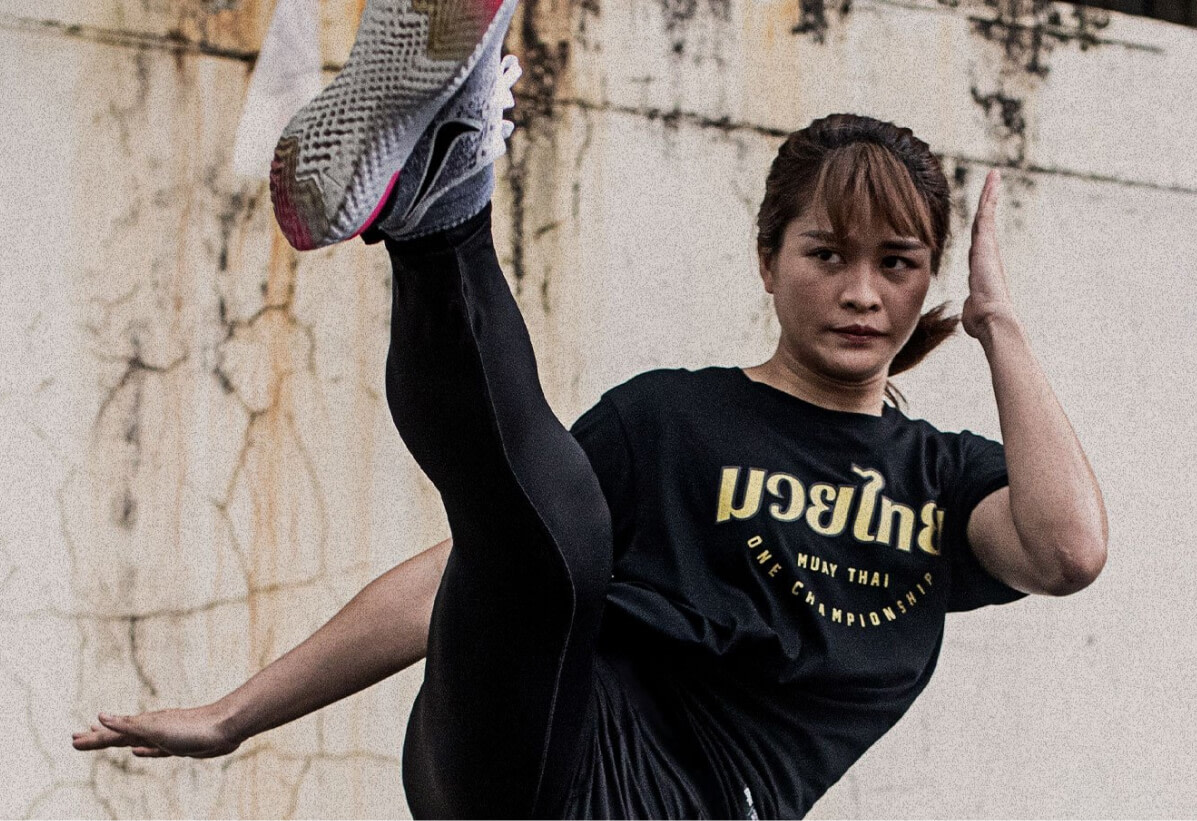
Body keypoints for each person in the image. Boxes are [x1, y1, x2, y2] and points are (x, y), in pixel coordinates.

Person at [72, 0, 1109, 817]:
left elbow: (1067, 550)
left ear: (927, 277)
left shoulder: (942, 482)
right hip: (536, 737)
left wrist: (995, 322)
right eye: (825, 253)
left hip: (695, 802)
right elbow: (463, 568)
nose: (859, 292)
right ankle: (447, 210)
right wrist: (237, 713)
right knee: (547, 539)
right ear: (766, 258)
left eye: (896, 265)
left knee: (553, 536)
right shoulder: (673, 420)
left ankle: (441, 184)